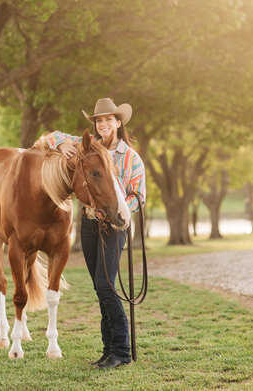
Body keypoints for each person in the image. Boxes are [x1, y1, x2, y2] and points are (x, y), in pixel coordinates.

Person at [46, 97, 146, 369]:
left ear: (118, 123)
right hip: (88, 225)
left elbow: (140, 197)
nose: (103, 124)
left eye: (108, 120)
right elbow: (51, 136)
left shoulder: (130, 158)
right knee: (100, 288)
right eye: (99, 120)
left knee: (105, 285)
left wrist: (117, 210)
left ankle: (122, 350)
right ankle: (108, 350)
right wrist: (64, 144)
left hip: (113, 227)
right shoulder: (87, 147)